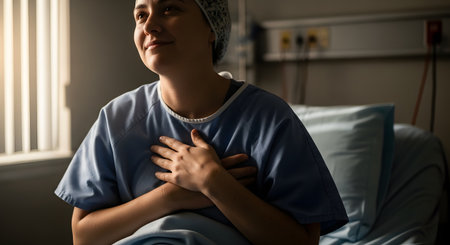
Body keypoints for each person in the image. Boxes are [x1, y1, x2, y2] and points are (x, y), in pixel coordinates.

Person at [55, 0, 348, 244]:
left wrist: (214, 183)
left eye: (170, 9)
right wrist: (171, 197)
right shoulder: (117, 119)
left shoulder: (269, 119)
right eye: (141, 15)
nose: (149, 25)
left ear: (212, 27)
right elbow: (83, 236)